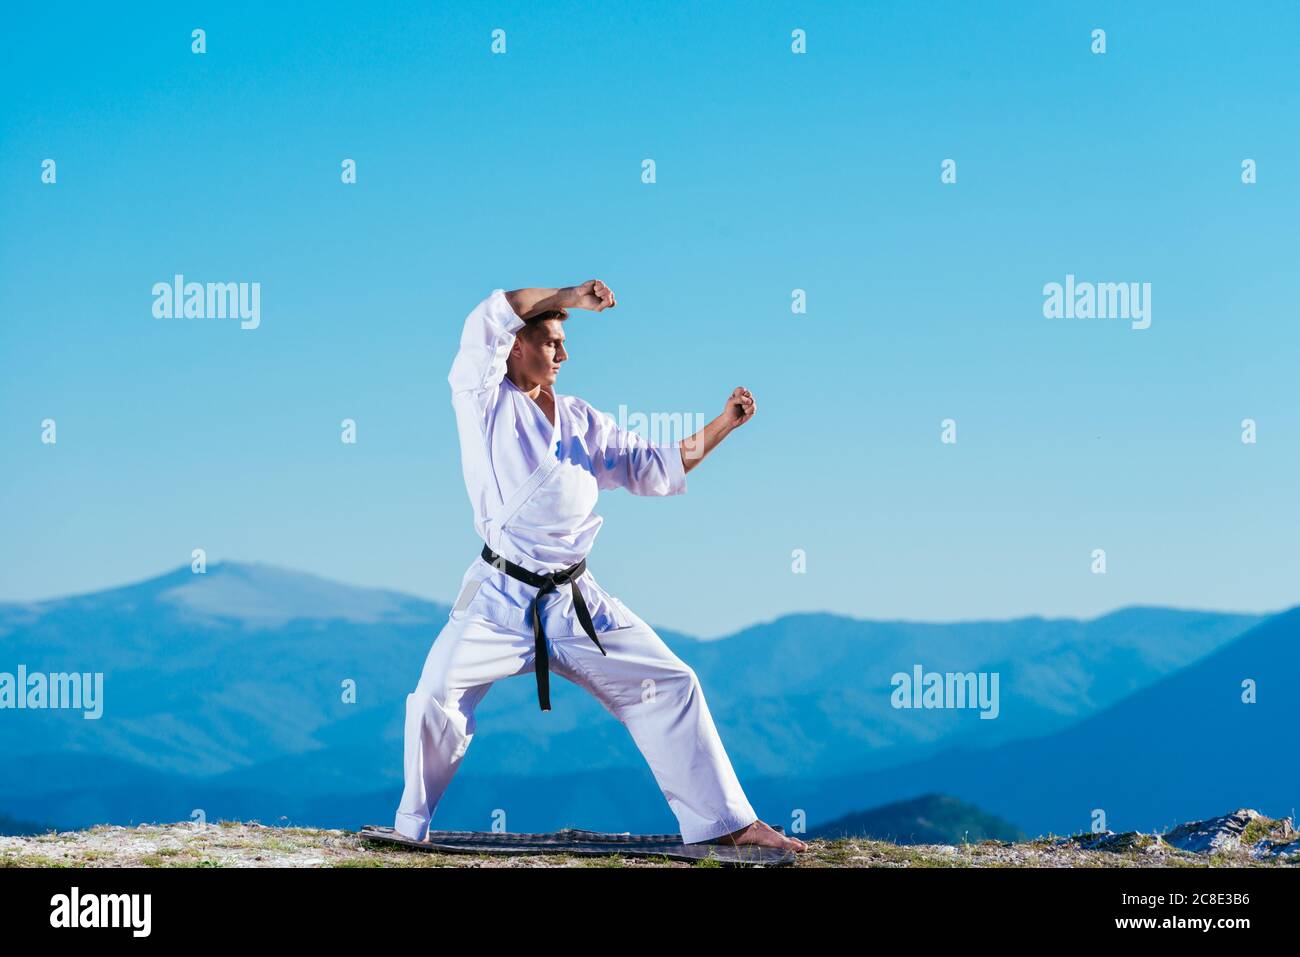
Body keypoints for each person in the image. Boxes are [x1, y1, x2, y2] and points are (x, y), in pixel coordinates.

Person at [393, 280, 806, 852]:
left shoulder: (583, 421)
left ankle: (728, 825)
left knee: (672, 683)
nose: (564, 355)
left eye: (564, 343)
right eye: (551, 342)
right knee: (437, 691)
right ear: (514, 346)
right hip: (498, 598)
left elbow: (653, 467)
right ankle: (411, 828)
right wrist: (571, 294)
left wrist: (724, 425)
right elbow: (488, 317)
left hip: (575, 600)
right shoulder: (481, 399)